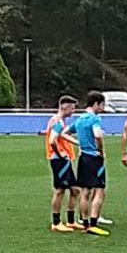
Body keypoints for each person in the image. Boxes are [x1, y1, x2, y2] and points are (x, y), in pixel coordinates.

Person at [66, 91, 109, 236]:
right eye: (102, 105)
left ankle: (84, 223)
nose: (102, 108)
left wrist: (80, 144)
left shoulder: (80, 119)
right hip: (93, 158)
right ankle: (93, 223)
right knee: (100, 190)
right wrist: (101, 151)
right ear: (96, 103)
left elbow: (65, 133)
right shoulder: (94, 119)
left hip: (83, 157)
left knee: (85, 191)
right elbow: (97, 135)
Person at [46, 95, 83, 233]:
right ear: (64, 107)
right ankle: (56, 222)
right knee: (60, 190)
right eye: (72, 108)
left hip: (64, 160)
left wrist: (79, 144)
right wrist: (60, 153)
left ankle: (71, 220)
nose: (73, 112)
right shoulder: (57, 121)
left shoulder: (61, 122)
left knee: (75, 190)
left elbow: (62, 136)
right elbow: (52, 140)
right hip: (59, 160)